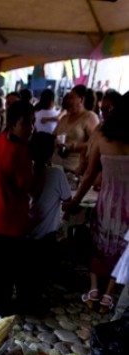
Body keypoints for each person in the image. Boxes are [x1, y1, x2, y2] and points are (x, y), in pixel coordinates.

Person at [66, 91, 129, 314]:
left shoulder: (102, 134)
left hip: (107, 201)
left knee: (99, 243)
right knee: (122, 248)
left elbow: (90, 174)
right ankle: (108, 296)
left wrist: (75, 201)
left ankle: (93, 290)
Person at [0, 100, 36, 316]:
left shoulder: (0, 141)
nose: (30, 128)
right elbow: (27, 186)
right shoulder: (19, 152)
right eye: (25, 123)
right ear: (12, 124)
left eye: (32, 123)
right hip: (12, 218)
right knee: (8, 267)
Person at [28, 132, 71, 307]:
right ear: (51, 152)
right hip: (46, 238)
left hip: (23, 235)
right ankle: (38, 296)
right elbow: (67, 200)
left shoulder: (25, 170)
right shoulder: (56, 174)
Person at [53, 84, 99, 179]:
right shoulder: (65, 117)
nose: (67, 100)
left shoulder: (90, 117)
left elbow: (95, 143)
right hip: (56, 165)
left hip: (73, 170)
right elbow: (54, 135)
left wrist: (73, 146)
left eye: (71, 97)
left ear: (81, 99)